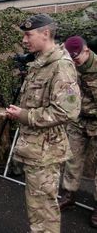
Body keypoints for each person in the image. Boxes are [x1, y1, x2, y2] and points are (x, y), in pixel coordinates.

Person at [5, 13, 81, 233]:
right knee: (37, 207)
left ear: (45, 33)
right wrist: (22, 113)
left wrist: (25, 116)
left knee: (44, 210)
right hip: (37, 149)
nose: (24, 40)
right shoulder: (41, 63)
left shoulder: (60, 66)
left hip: (46, 153)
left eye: (29, 34)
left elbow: (68, 111)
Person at [59, 36, 97, 227]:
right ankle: (69, 194)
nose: (74, 62)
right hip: (78, 119)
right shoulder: (69, 65)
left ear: (86, 51)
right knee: (72, 158)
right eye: (70, 58)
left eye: (77, 58)